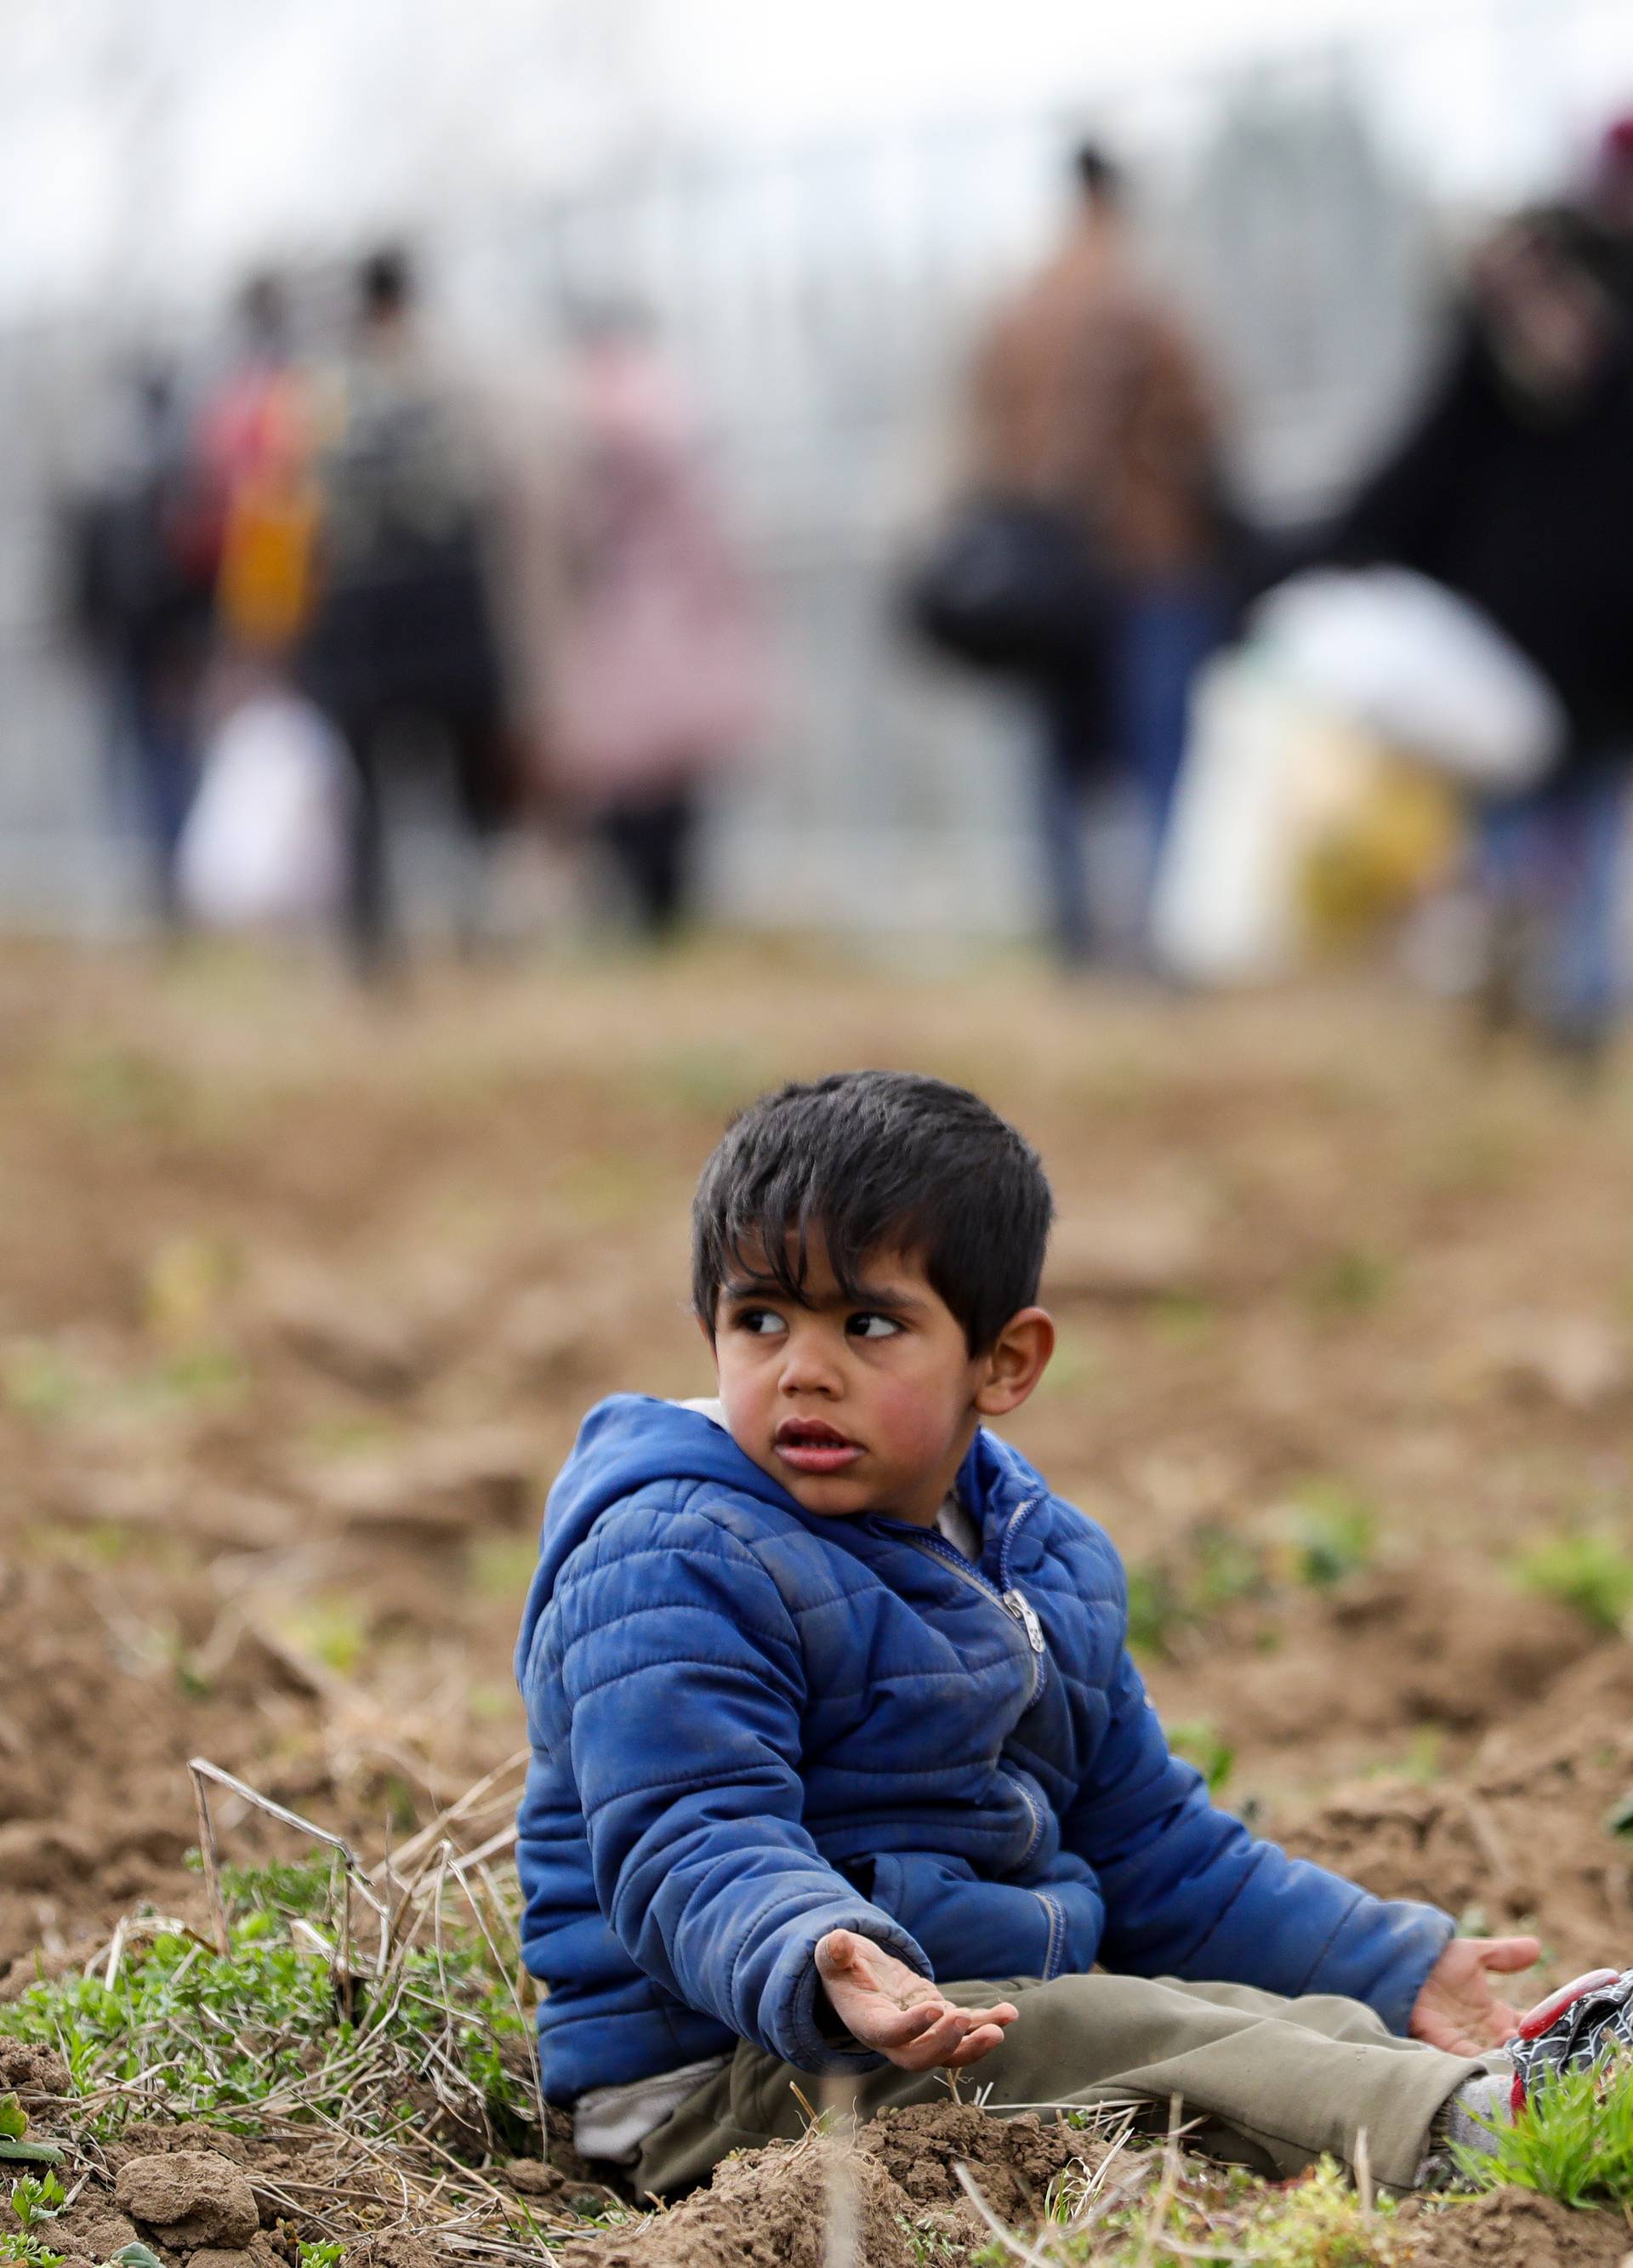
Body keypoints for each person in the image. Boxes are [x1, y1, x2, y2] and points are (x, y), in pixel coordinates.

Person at [514, 1068, 1627, 2201]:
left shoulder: (1041, 1561)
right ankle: (1468, 2128)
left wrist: (1397, 1966)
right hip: (731, 2076)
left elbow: (1151, 1844)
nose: (804, 1367)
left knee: (1253, 2017)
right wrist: (819, 1951)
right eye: (761, 1317)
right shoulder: (671, 1556)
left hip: (967, 2014)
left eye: (868, 1323)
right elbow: (690, 1834)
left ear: (1004, 1362)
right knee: (1134, 2032)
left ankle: (1509, 2078)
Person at [1324, 202, 1633, 1065]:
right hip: (1504, 678)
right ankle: (1512, 991)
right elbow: (1405, 488)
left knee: (1587, 844)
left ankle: (1573, 1013)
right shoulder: (1478, 393)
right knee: (1507, 844)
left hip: (1605, 676)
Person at [966, 144, 1235, 966]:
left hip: (1050, 578)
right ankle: (1155, 942)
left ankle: (1074, 938)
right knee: (1161, 756)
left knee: (1057, 763)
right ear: (1116, 200)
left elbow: (979, 441)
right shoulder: (1144, 303)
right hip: (1150, 563)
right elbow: (1204, 423)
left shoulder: (1017, 308)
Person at [299, 245, 512, 976]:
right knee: (464, 782)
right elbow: (487, 490)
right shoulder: (450, 378)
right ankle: (478, 930)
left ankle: (373, 946)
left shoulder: (321, 393)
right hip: (444, 605)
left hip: (359, 617)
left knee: (367, 793)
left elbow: (298, 510)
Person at [542, 310, 764, 939]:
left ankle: (639, 900)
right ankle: (669, 901)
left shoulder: (571, 416)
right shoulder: (666, 410)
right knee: (673, 768)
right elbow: (703, 524)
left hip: (604, 613)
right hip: (670, 609)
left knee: (618, 769)